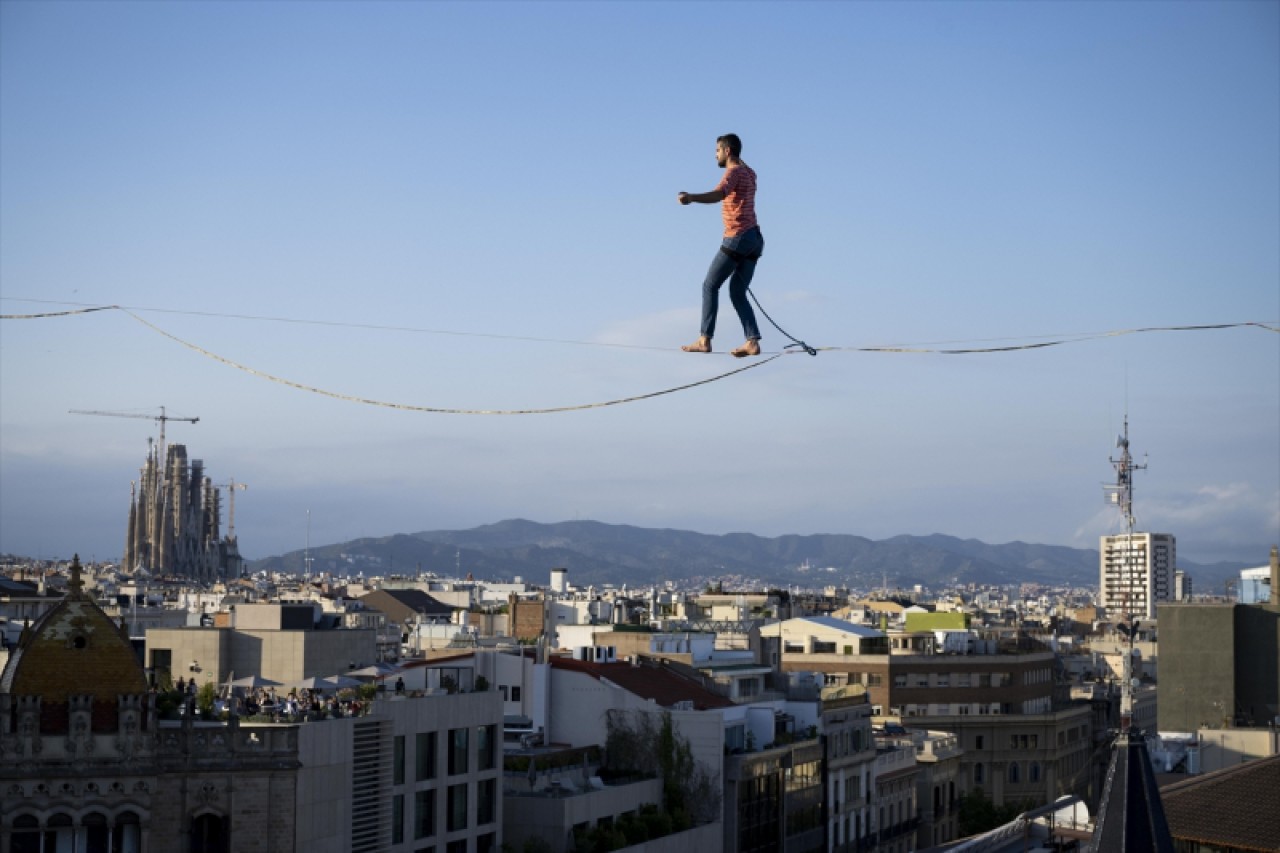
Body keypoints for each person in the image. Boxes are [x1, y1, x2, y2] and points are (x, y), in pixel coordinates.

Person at [678, 133, 764, 357]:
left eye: (717, 150)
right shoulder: (750, 173)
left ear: (727, 151)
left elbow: (719, 194)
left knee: (710, 285)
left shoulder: (733, 173)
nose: (715, 155)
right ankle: (752, 341)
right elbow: (741, 164)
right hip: (755, 239)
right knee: (737, 292)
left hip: (738, 237)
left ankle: (704, 339)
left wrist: (691, 198)